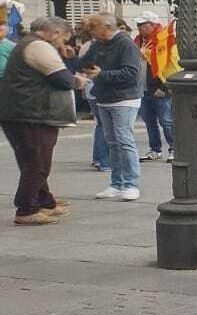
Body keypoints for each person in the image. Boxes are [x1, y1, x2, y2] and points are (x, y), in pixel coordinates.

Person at [0, 16, 85, 225]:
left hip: (21, 112)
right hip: (32, 114)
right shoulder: (39, 46)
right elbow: (62, 79)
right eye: (63, 39)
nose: (62, 43)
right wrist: (78, 81)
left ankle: (44, 201)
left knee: (32, 160)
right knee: (37, 162)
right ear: (54, 33)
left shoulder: (27, 43)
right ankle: (26, 209)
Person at [81, 12, 146, 201]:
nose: (91, 31)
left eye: (94, 27)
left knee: (124, 140)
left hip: (124, 98)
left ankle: (131, 184)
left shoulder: (125, 44)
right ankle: (117, 183)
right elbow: (87, 63)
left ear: (106, 27)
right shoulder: (98, 44)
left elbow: (131, 72)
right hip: (104, 98)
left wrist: (102, 74)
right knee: (112, 142)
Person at [133, 12, 174, 161]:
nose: (139, 27)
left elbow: (170, 66)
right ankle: (155, 149)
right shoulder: (138, 41)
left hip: (159, 88)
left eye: (142, 24)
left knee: (166, 121)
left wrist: (164, 87)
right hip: (143, 88)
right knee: (149, 122)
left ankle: (174, 148)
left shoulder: (164, 41)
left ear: (153, 24)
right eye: (138, 24)